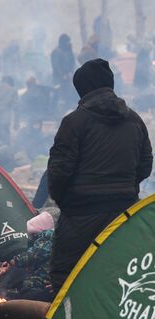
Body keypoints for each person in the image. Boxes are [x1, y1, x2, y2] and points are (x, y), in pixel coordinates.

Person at [48, 58, 153, 291]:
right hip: (123, 212)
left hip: (80, 214)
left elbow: (58, 172)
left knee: (67, 275)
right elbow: (145, 163)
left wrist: (65, 201)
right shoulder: (134, 120)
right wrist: (127, 187)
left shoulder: (74, 122)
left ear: (83, 89)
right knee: (118, 271)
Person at [51, 34, 77, 108]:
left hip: (68, 76)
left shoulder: (69, 50)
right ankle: (55, 110)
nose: (68, 43)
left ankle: (66, 107)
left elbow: (72, 62)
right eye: (67, 41)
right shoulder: (56, 52)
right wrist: (63, 75)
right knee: (58, 93)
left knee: (67, 93)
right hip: (58, 77)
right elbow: (56, 65)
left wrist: (71, 73)